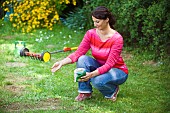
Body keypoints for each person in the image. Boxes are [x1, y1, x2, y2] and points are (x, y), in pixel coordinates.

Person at [51, 6, 128, 102]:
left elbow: (109, 64)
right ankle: (85, 92)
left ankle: (112, 90)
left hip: (117, 70)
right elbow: (78, 53)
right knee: (82, 59)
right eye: (94, 21)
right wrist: (61, 63)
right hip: (101, 66)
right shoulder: (90, 34)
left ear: (107, 20)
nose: (95, 24)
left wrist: (91, 75)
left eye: (97, 21)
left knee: (96, 80)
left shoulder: (117, 38)